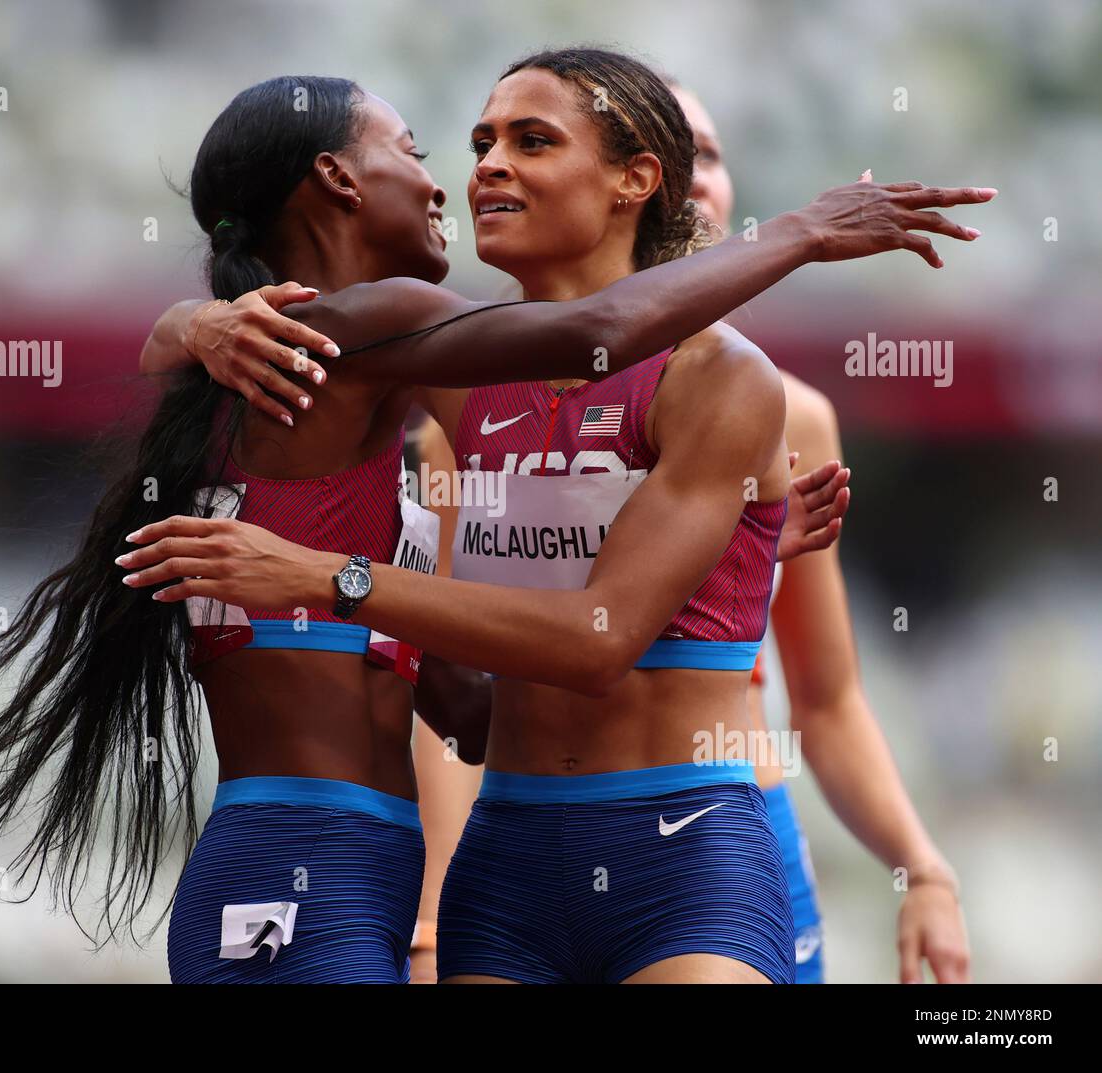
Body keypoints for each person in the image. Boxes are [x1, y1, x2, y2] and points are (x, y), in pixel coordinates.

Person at [121, 48, 991, 983]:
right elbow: (588, 346)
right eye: (476, 142)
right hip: (497, 863)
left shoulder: (729, 380)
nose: (483, 165)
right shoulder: (443, 376)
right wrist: (194, 322)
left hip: (683, 846)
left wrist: (728, 560)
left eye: (531, 142)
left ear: (636, 181)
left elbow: (561, 665)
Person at [670, 82, 969, 984]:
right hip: (538, 832)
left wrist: (925, 870)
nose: (694, 179)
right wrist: (431, 918)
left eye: (712, 156)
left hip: (732, 830)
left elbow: (828, 699)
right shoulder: (486, 395)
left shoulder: (793, 417)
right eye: (664, 152)